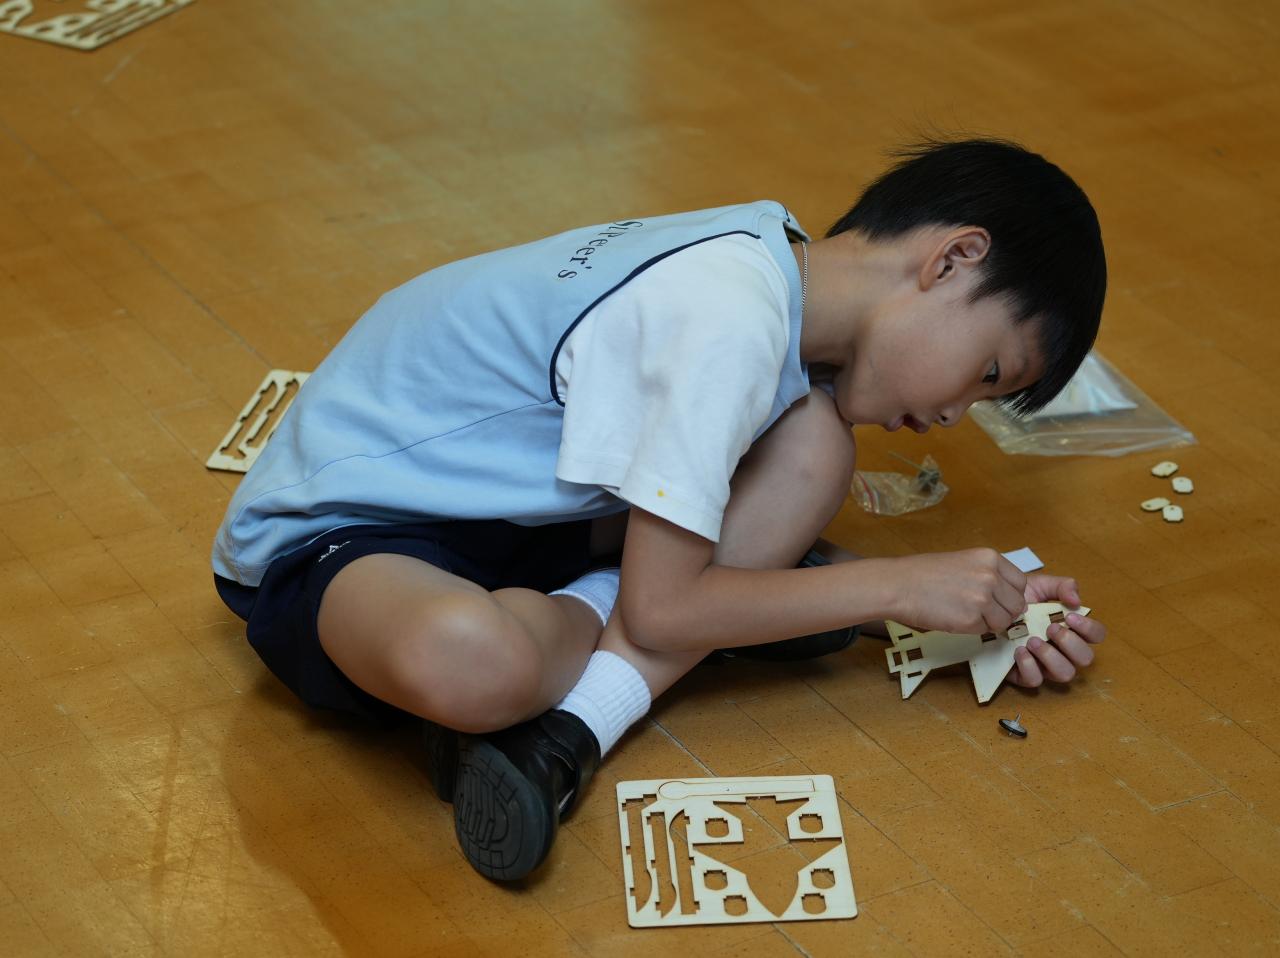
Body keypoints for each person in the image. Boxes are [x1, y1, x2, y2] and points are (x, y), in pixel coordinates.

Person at [212, 138, 1109, 882]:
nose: (955, 415)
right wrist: (898, 589)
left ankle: (591, 693)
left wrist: (948, 606)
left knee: (814, 443)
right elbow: (663, 613)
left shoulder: (771, 254)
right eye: (989, 371)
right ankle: (615, 662)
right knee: (475, 665)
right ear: (952, 258)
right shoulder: (725, 320)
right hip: (341, 528)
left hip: (519, 515)